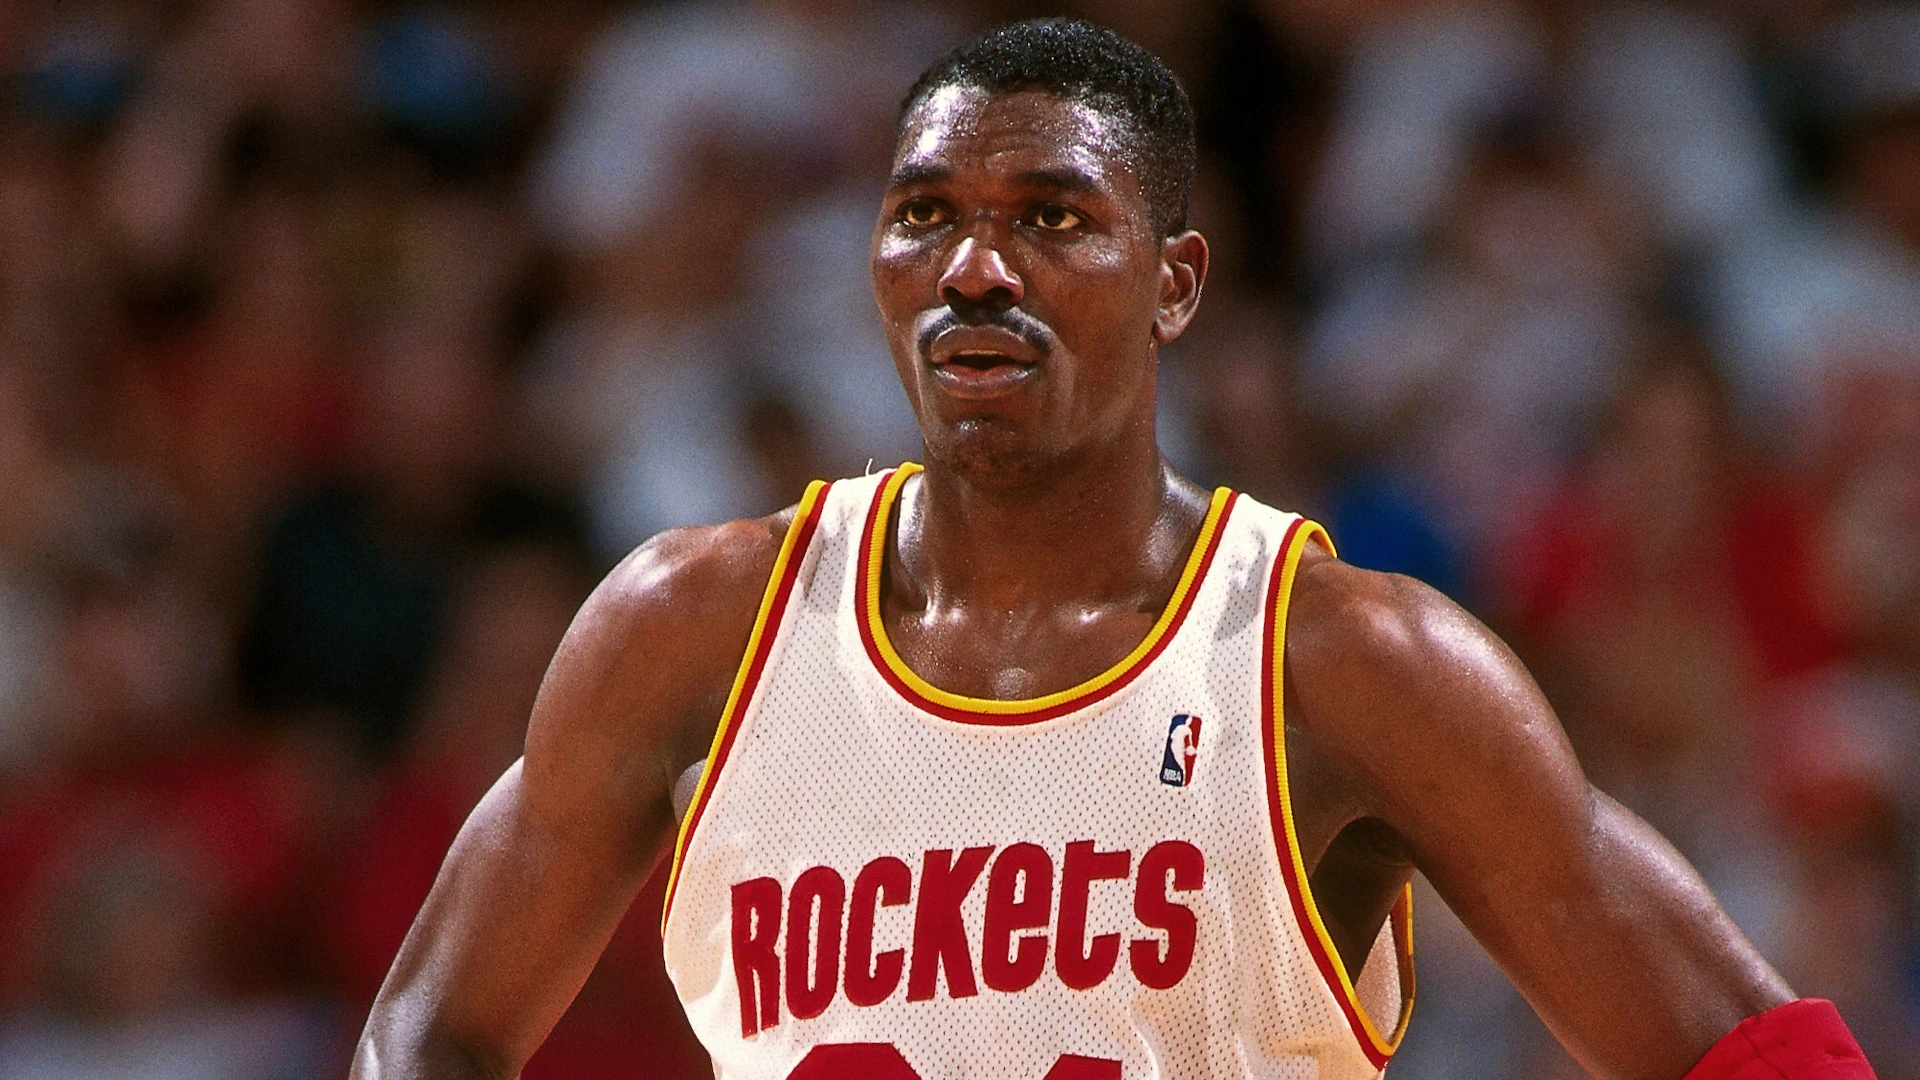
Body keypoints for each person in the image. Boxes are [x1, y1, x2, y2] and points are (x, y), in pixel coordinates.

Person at [351, 19, 1878, 1080]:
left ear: (1176, 283)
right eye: (925, 215)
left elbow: (1745, 1049)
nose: (974, 268)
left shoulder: (1346, 662)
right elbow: (429, 1030)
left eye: (1053, 218)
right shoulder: (696, 625)